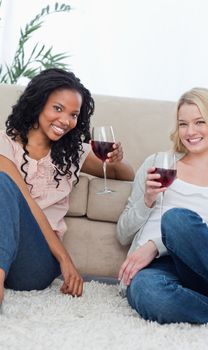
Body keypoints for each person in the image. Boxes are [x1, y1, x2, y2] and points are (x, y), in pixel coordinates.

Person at [0, 68, 134, 309]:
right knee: (4, 184)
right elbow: (25, 202)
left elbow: (123, 175)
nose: (65, 120)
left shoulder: (74, 153)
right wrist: (67, 258)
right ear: (38, 103)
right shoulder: (4, 143)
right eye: (58, 108)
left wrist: (117, 160)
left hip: (35, 262)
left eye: (74, 114)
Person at [117, 87, 208, 324]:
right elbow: (122, 234)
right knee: (150, 295)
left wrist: (155, 245)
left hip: (199, 271)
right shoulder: (157, 164)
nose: (190, 132)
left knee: (176, 218)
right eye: (183, 124)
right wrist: (147, 200)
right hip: (152, 270)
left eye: (200, 122)